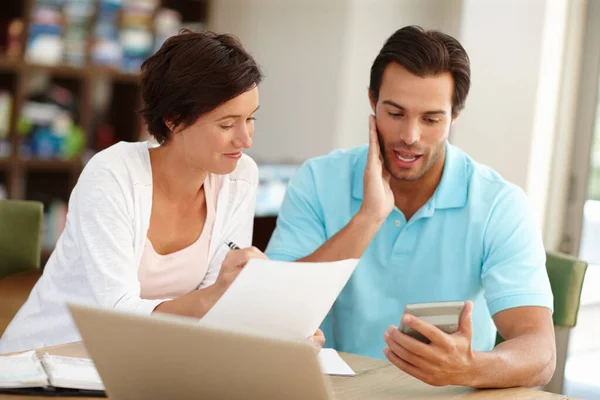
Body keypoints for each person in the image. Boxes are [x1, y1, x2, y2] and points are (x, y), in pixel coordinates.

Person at [266, 26, 555, 388]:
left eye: (431, 119)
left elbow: (540, 351)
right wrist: (368, 217)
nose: (410, 136)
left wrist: (470, 367)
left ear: (455, 116)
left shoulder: (499, 204)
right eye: (396, 113)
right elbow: (272, 315)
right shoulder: (318, 180)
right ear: (372, 102)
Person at [0, 30, 324, 354]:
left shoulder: (239, 176)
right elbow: (117, 314)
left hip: (141, 361)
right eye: (227, 125)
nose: (245, 139)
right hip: (43, 364)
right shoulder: (113, 175)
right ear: (173, 119)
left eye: (250, 119)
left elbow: (214, 305)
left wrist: (281, 329)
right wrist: (216, 297)